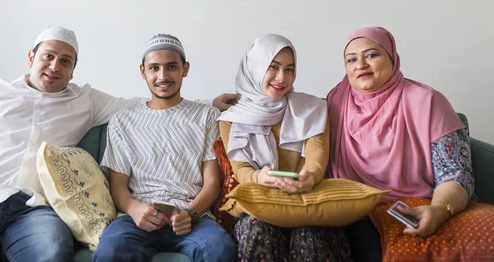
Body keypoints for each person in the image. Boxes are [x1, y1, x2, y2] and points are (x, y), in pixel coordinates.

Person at [0, 26, 237, 262]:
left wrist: (210, 104)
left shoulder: (86, 101)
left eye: (66, 61)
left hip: (34, 210)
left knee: (52, 253)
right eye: (48, 56)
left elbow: (152, 102)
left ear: (74, 69)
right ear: (31, 57)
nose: (55, 66)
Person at [327, 26, 474, 261]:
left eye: (371, 55)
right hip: (350, 211)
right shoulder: (335, 103)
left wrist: (439, 210)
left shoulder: (427, 102)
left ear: (392, 58)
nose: (360, 65)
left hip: (414, 208)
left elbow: (455, 173)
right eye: (351, 59)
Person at [93, 34, 237, 262]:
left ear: (185, 69)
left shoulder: (207, 116)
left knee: (220, 250)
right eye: (154, 68)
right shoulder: (122, 122)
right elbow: (118, 186)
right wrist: (134, 209)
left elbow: (212, 183)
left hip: (192, 215)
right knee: (111, 252)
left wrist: (190, 213)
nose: (162, 76)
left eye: (171, 67)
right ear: (143, 71)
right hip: (139, 215)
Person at [218, 34, 352, 262]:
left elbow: (317, 152)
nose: (282, 78)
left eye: (290, 69)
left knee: (309, 234)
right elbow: (240, 167)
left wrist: (309, 176)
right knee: (256, 228)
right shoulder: (231, 119)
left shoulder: (312, 108)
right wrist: (260, 177)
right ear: (254, 68)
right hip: (261, 201)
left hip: (306, 200)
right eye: (273, 67)